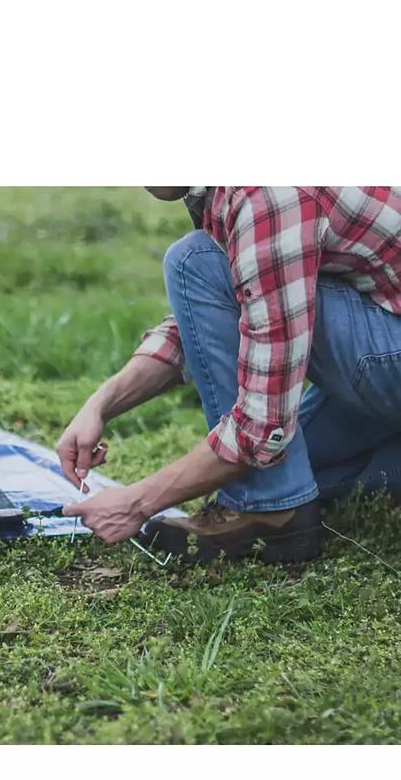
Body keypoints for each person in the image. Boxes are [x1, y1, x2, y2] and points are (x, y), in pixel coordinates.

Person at [58, 187, 401, 563]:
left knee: (194, 261)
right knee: (296, 472)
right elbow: (223, 312)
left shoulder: (266, 194)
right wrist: (101, 405)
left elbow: (262, 424)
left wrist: (137, 502)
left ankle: (267, 510)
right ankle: (280, 499)